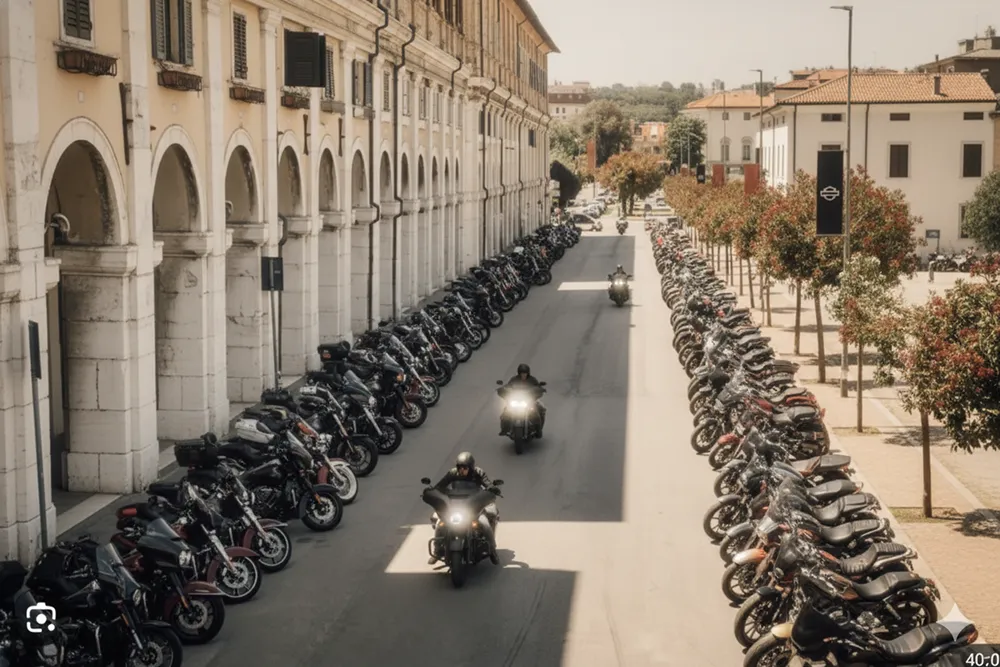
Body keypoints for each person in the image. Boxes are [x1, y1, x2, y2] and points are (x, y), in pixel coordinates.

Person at [427, 452, 499, 564]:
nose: (462, 470)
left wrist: (492, 490)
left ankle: (493, 551)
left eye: (465, 468)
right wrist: (433, 492)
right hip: (455, 506)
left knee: (484, 523)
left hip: (474, 506)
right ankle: (436, 552)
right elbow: (440, 486)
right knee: (439, 524)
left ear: (470, 467)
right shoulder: (452, 473)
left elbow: (488, 485)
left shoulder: (478, 473)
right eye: (459, 467)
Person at [499, 363, 546, 437]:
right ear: (519, 373)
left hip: (529, 401)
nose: (523, 375)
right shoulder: (514, 379)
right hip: (515, 400)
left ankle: (538, 430)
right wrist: (502, 389)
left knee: (539, 409)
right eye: (522, 373)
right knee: (505, 412)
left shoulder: (532, 380)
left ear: (528, 373)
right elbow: (507, 387)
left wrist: (540, 390)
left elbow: (538, 387)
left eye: (525, 373)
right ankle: (505, 428)